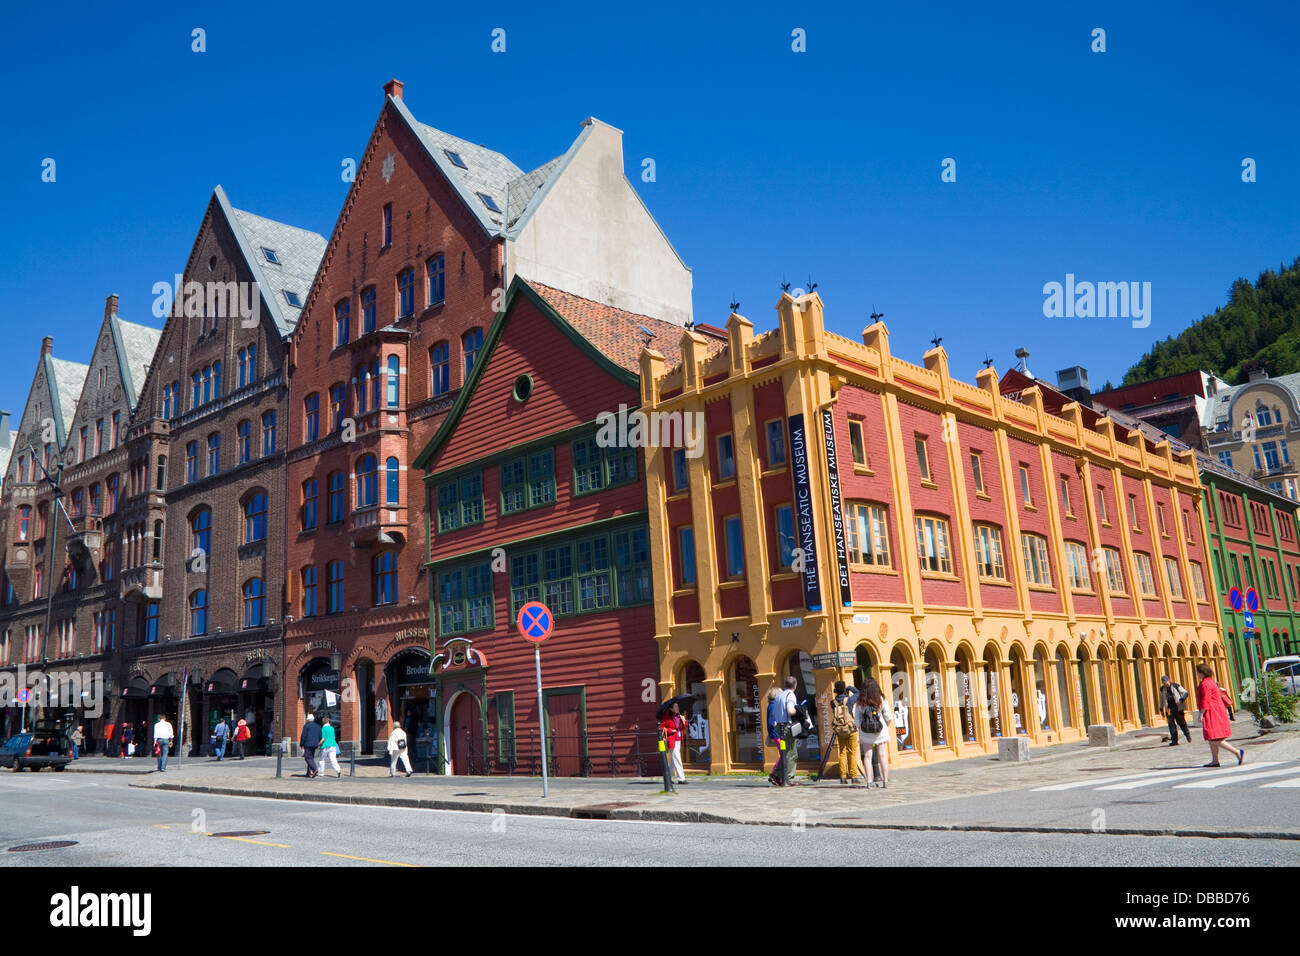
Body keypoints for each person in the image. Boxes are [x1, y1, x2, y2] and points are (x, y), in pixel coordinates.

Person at [1195, 663, 1243, 768]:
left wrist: (1201, 714)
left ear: (1202, 673)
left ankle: (1237, 752)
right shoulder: (1210, 681)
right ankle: (1215, 760)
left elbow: (1206, 699)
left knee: (1213, 737)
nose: (1197, 674)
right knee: (1212, 736)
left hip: (1212, 711)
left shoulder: (1205, 684)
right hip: (1215, 710)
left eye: (1198, 672)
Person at [855, 678, 893, 788]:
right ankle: (885, 780)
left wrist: (860, 727)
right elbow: (888, 716)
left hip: (865, 731)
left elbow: (857, 718)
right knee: (883, 755)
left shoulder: (861, 701)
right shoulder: (880, 699)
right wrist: (885, 725)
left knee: (867, 756)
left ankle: (869, 781)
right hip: (880, 730)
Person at [766, 677, 799, 787]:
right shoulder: (790, 695)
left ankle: (777, 775)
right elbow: (790, 710)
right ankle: (787, 778)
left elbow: (774, 715)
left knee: (784, 753)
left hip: (779, 729)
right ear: (795, 685)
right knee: (791, 753)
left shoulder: (779, 696)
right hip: (787, 727)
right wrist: (799, 709)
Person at [830, 680, 862, 784]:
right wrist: (850, 687)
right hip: (850, 729)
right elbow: (858, 693)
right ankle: (853, 776)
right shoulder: (849, 700)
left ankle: (843, 777)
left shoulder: (833, 702)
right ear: (844, 689)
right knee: (852, 753)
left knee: (842, 753)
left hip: (839, 730)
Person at [659, 701, 688, 785]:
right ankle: (681, 778)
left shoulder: (680, 716)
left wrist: (684, 721)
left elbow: (684, 726)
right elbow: (661, 727)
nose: (677, 708)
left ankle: (668, 777)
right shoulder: (666, 717)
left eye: (677, 706)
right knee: (677, 757)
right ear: (671, 709)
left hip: (679, 739)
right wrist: (671, 730)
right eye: (675, 707)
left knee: (673, 759)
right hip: (672, 740)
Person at [1159, 675, 1192, 746]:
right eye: (1164, 683)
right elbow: (1161, 699)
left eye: (1166, 682)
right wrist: (1161, 708)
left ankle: (1187, 734)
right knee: (1171, 725)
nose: (1165, 684)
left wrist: (1181, 700)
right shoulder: (1162, 689)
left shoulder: (1176, 686)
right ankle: (1174, 741)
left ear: (1169, 680)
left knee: (1181, 723)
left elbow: (1185, 693)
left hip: (1178, 707)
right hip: (1169, 709)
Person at [300, 713, 322, 778]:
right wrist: (318, 743)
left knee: (307, 758)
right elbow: (320, 736)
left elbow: (303, 736)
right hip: (315, 744)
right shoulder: (318, 726)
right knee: (311, 758)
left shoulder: (306, 726)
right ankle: (308, 772)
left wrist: (301, 744)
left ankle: (314, 769)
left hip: (308, 744)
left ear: (307, 720)